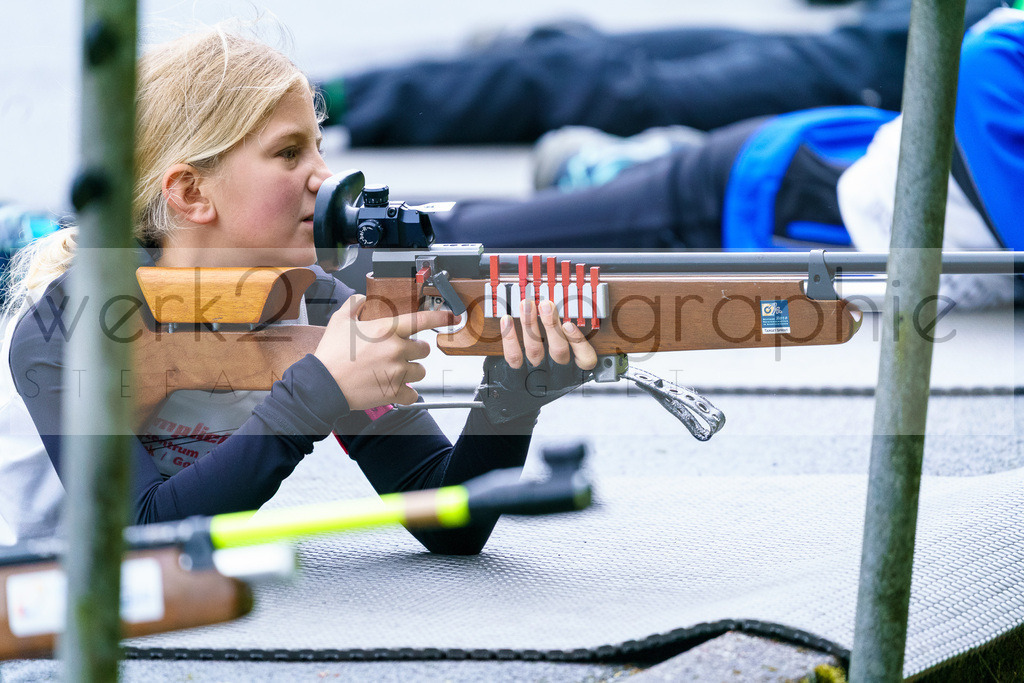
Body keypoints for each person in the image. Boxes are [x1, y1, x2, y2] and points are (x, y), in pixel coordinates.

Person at [0, 27, 597, 549]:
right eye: (288, 153)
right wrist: (314, 394)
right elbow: (141, 538)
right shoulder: (66, 325)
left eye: (318, 146)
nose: (324, 177)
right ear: (190, 193)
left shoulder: (315, 303)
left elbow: (445, 517)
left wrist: (511, 399)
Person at [418, 7, 1024, 310]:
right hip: (760, 193)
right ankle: (350, 231)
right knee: (469, 245)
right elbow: (985, 56)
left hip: (819, 172)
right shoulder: (1001, 57)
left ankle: (626, 162)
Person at [319, 0, 1001, 147]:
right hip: (845, 44)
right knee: (595, 52)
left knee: (603, 82)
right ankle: (529, 55)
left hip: (856, 84)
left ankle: (327, 101)